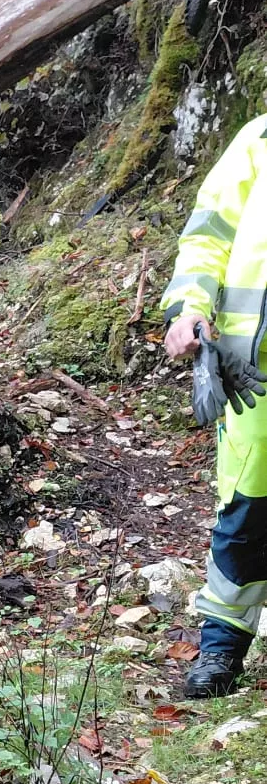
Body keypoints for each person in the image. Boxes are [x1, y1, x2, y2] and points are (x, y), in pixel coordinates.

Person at [161, 112, 267, 697]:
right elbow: (207, 237)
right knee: (247, 508)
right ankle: (222, 648)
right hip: (254, 372)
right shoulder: (257, 140)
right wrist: (191, 310)